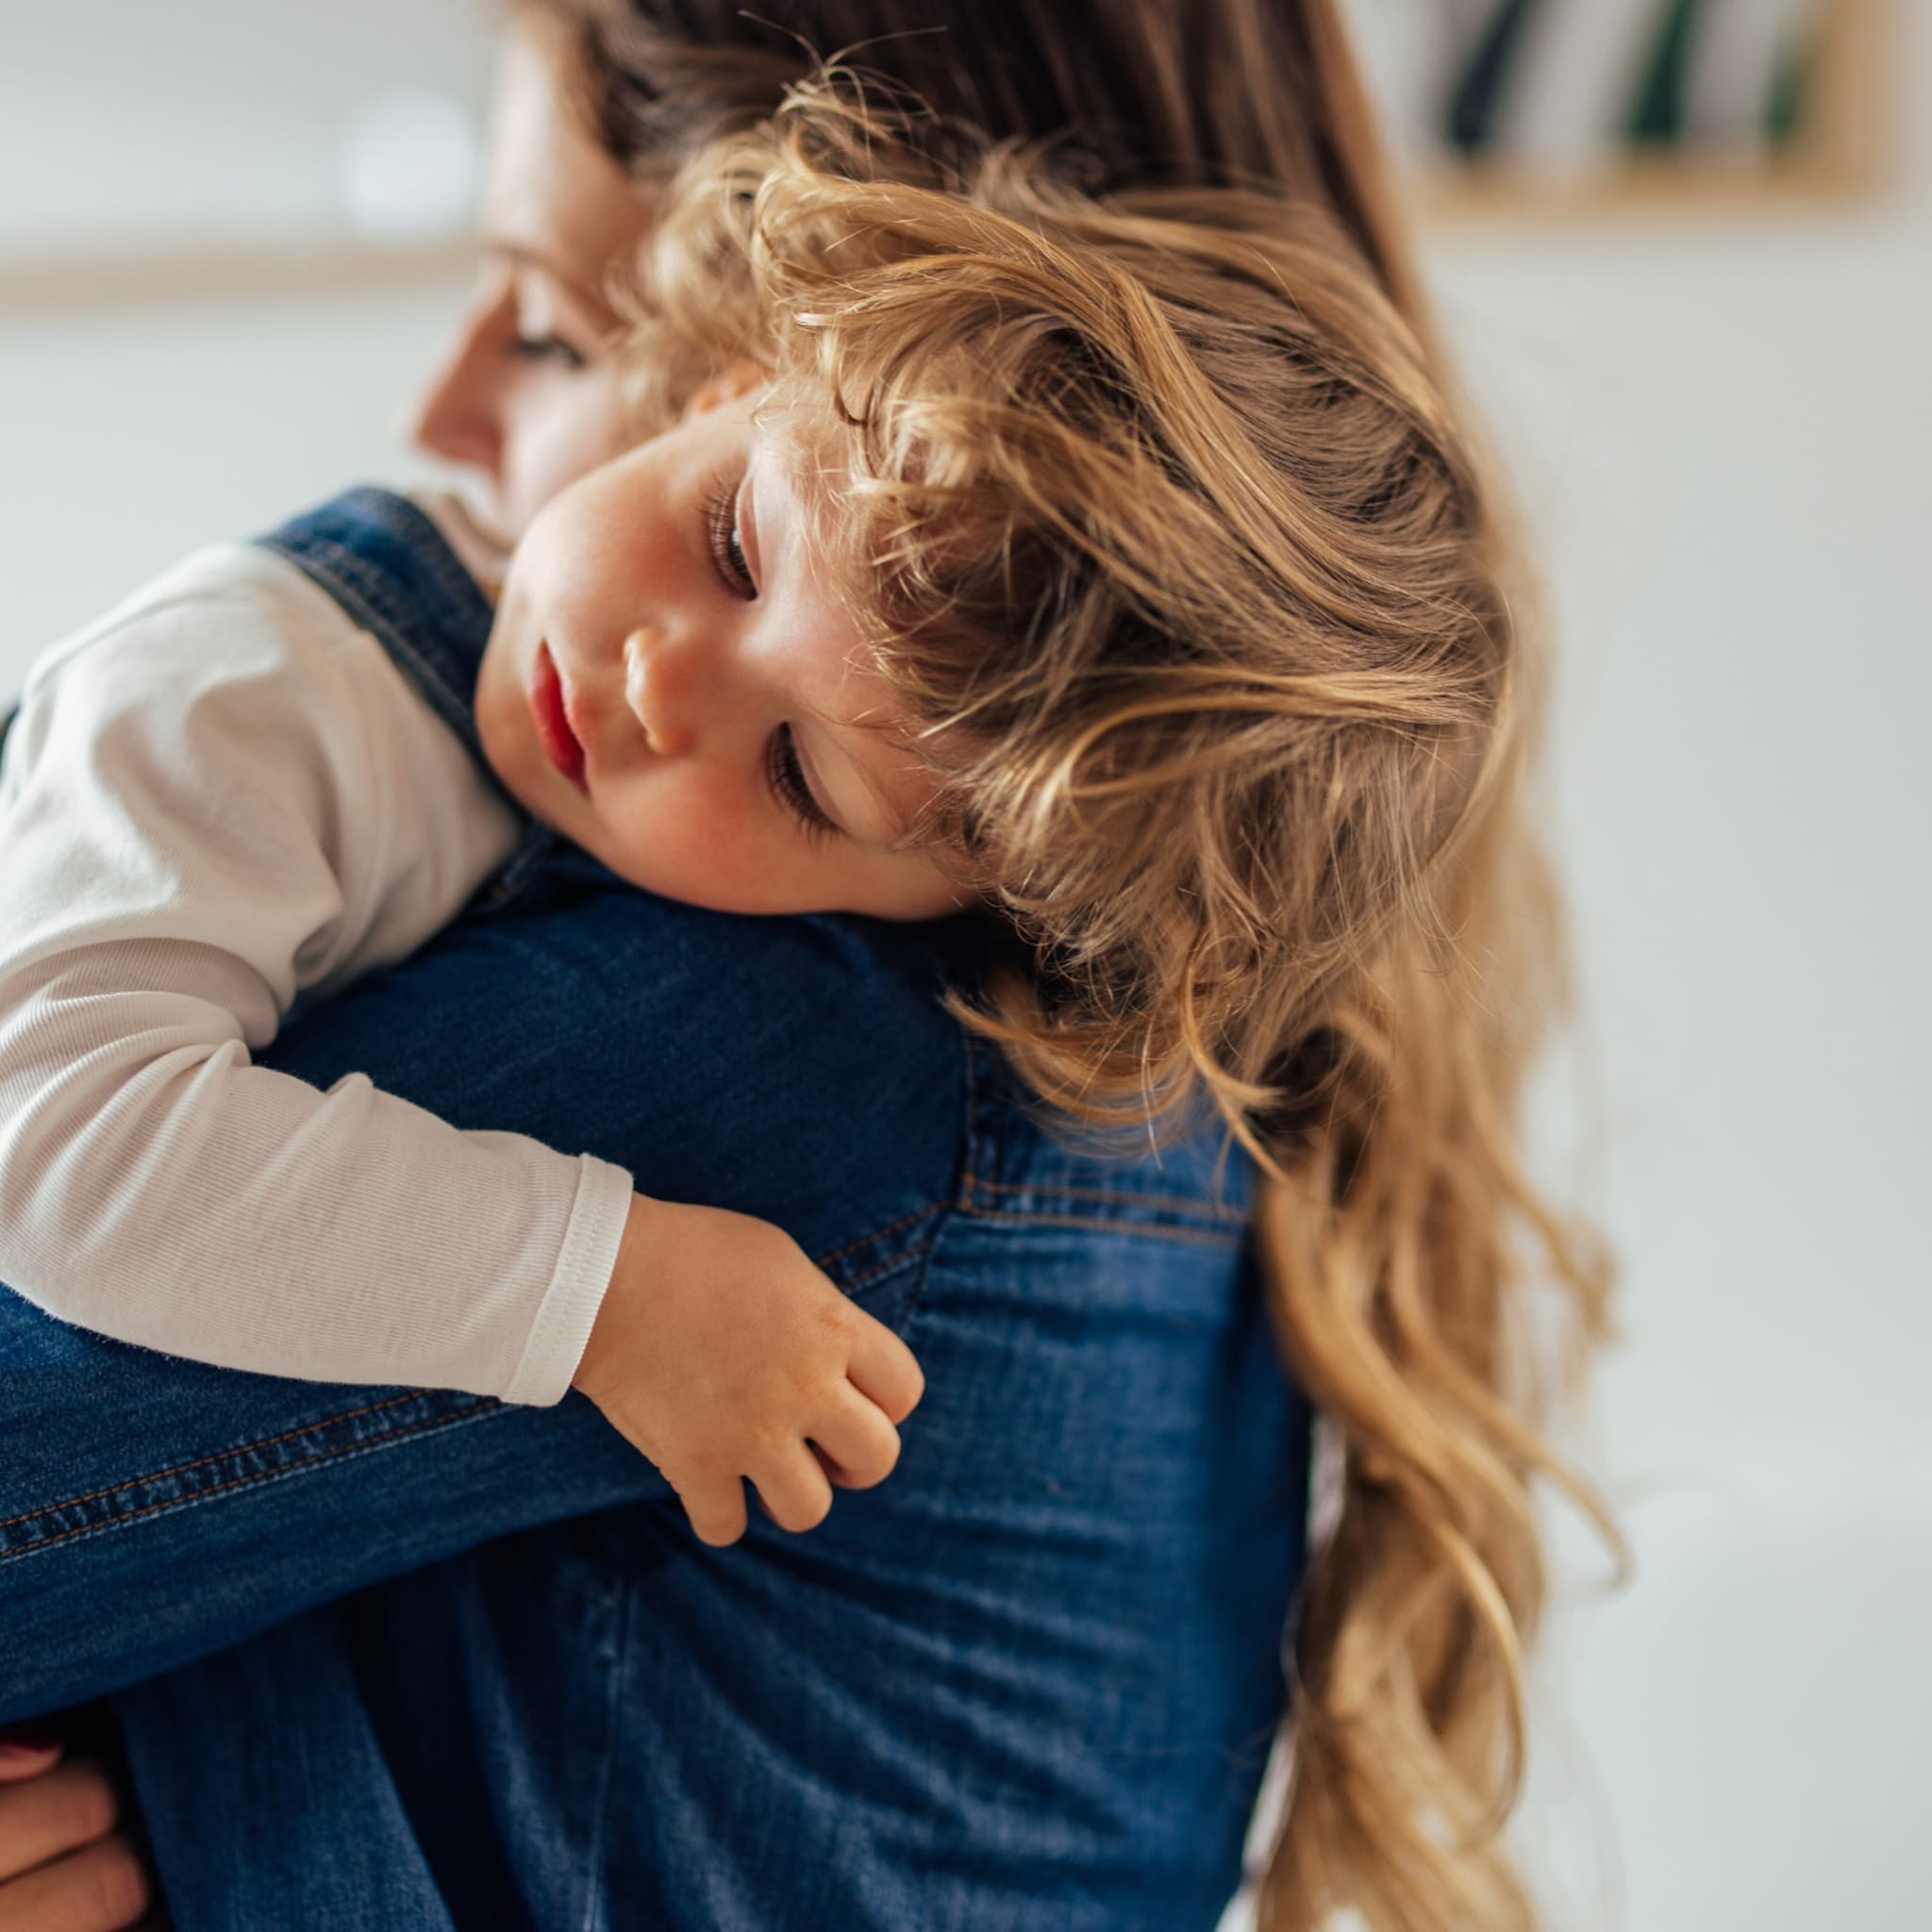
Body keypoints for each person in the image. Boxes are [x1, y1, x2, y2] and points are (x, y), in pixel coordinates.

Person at [0, 9, 1610, 1932]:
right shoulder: (277, 718)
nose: (440, 419)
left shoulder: (819, 1059)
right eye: (729, 532)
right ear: (755, 346)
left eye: (552, 326)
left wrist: (592, 1276)